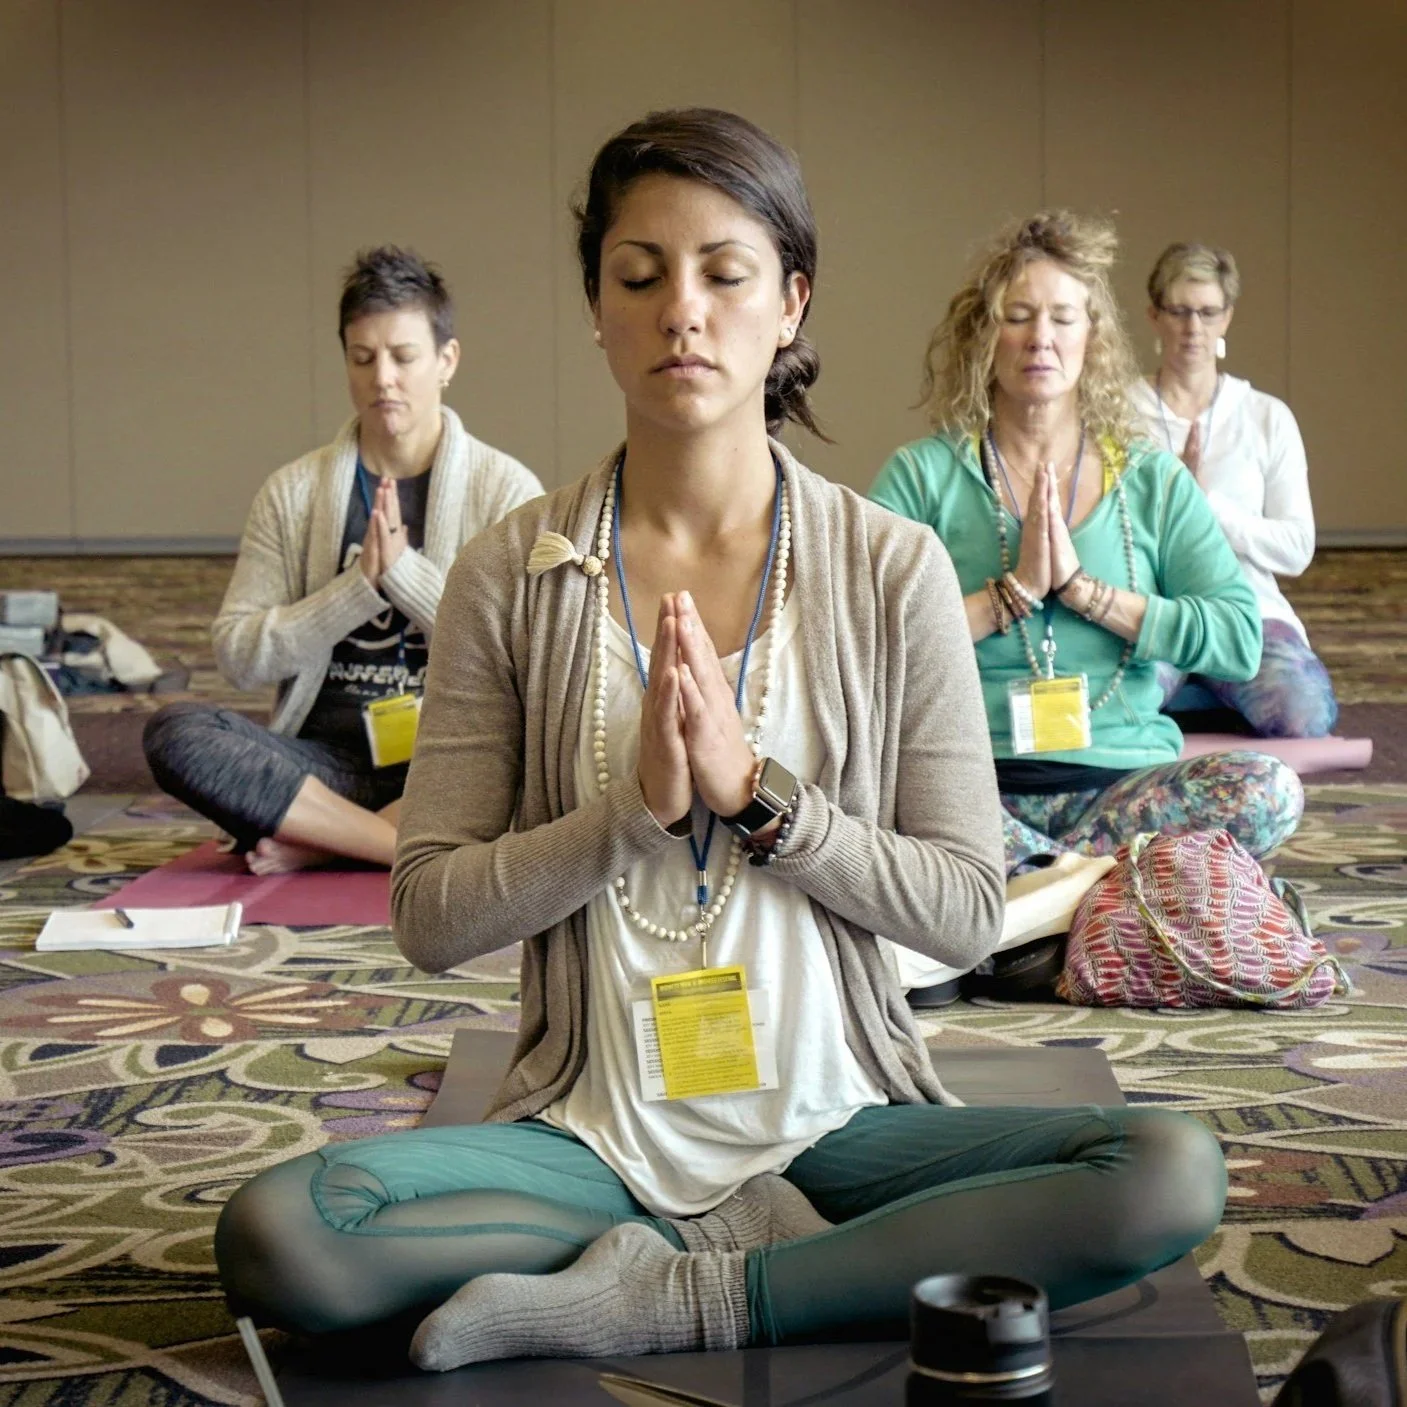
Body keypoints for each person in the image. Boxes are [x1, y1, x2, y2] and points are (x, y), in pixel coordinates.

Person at [213, 112, 1226, 1369]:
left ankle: (695, 1295)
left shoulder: (887, 567)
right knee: (285, 1235)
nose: (680, 311)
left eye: (724, 274)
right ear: (597, 305)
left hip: (836, 1123)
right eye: (639, 277)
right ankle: (779, 1262)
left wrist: (766, 801)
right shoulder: (504, 576)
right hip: (591, 1133)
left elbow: (965, 911)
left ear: (790, 302)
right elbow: (428, 915)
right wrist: (623, 820)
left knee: (1167, 1171)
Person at [870, 212, 1304, 888]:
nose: (1039, 337)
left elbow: (1237, 639)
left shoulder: (1150, 477)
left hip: (1119, 787)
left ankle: (1028, 892)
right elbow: (864, 645)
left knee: (1267, 789)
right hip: (970, 789)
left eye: (1062, 318)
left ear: (1091, 336)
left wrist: (1088, 594)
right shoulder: (921, 475)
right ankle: (1104, 888)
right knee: (860, 798)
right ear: (984, 334)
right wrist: (1007, 595)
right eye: (1016, 315)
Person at [143, 247, 542, 873]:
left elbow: (524, 657)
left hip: (448, 763)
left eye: (403, 357)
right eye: (364, 358)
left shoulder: (505, 490)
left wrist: (405, 578)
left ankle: (322, 843)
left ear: (446, 361)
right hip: (324, 769)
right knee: (176, 734)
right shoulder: (292, 493)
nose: (383, 377)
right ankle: (384, 843)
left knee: (545, 760)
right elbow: (240, 654)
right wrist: (354, 591)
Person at [1132, 242, 1337, 738]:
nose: (1193, 328)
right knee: (1103, 716)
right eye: (1179, 311)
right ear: (1154, 316)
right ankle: (1201, 693)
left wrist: (1206, 510)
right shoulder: (1117, 412)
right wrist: (1166, 506)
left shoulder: (1265, 416)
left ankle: (1201, 692)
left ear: (1227, 318)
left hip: (1245, 612)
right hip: (1154, 610)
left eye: (1207, 312)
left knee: (1305, 716)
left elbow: (1296, 548)